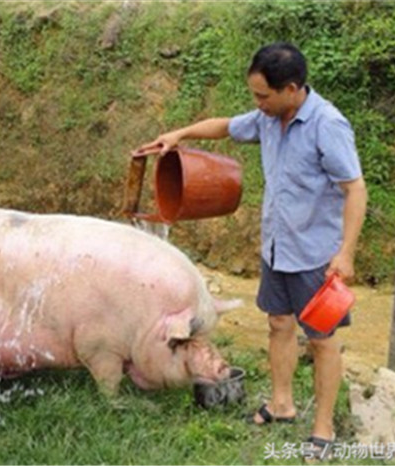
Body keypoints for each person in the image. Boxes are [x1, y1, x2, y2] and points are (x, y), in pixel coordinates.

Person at [133, 42, 367, 454]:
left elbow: (355, 188)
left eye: (263, 95)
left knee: (322, 340)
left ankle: (324, 429)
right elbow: (226, 126)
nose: (256, 103)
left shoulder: (327, 125)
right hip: (277, 246)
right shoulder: (267, 118)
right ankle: (282, 404)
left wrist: (345, 252)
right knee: (278, 324)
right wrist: (180, 135)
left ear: (291, 89)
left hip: (316, 255)